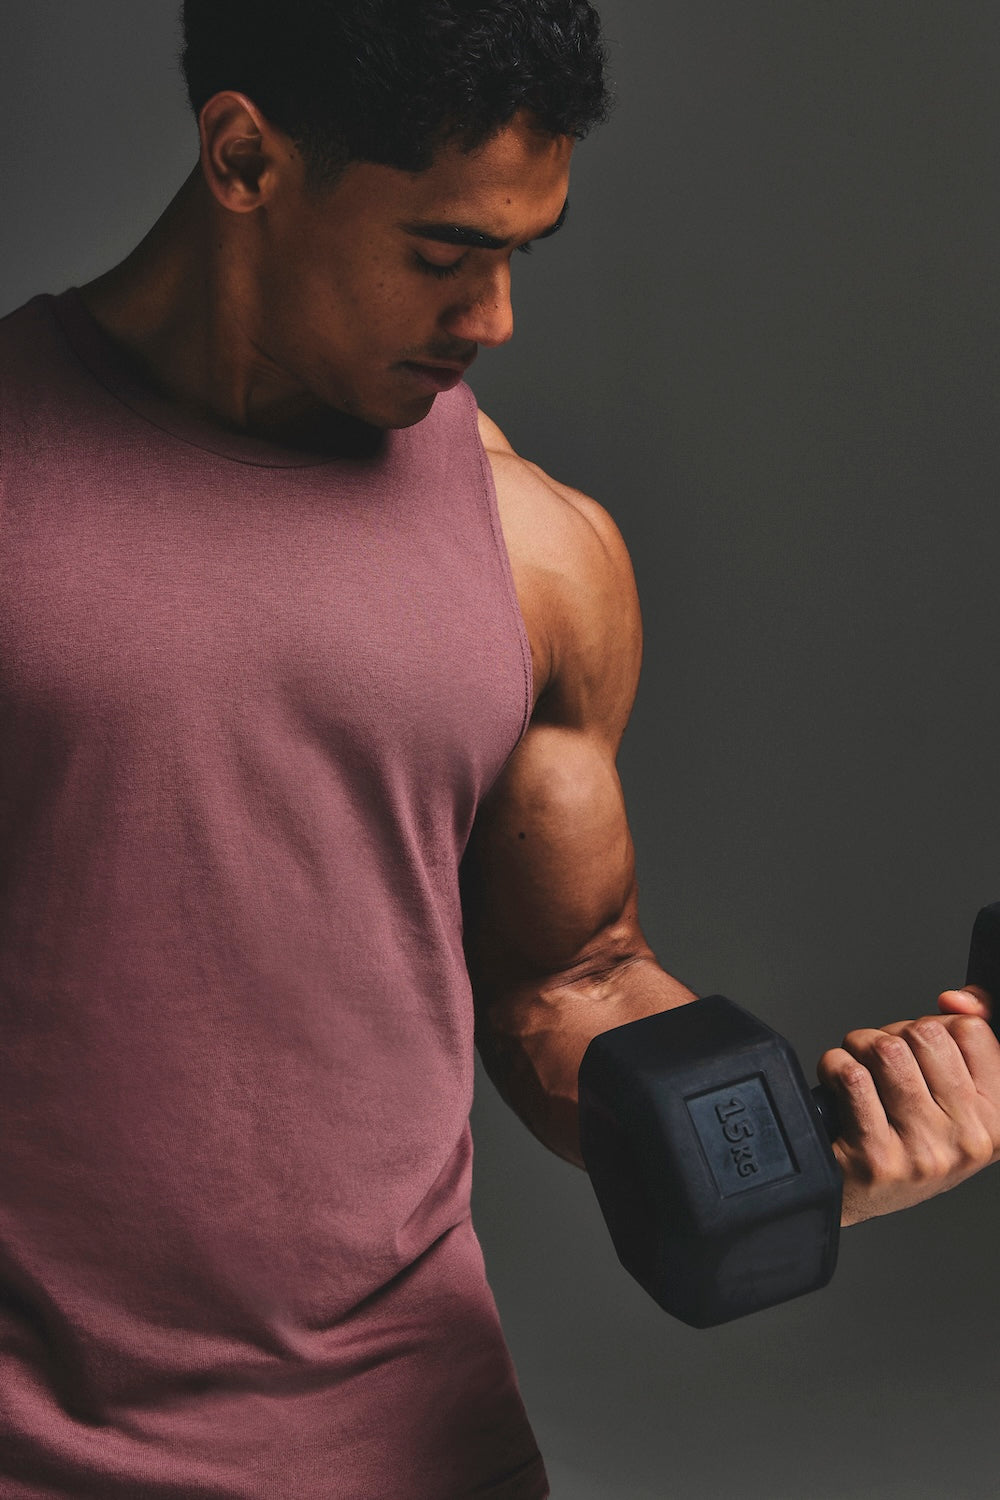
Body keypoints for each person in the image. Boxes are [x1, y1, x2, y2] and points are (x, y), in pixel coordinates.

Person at [1, 2, 998, 1495]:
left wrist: (796, 1155)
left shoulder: (538, 551)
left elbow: (572, 975)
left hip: (416, 1447)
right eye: (444, 252)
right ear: (245, 157)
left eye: (523, 251)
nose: (494, 320)